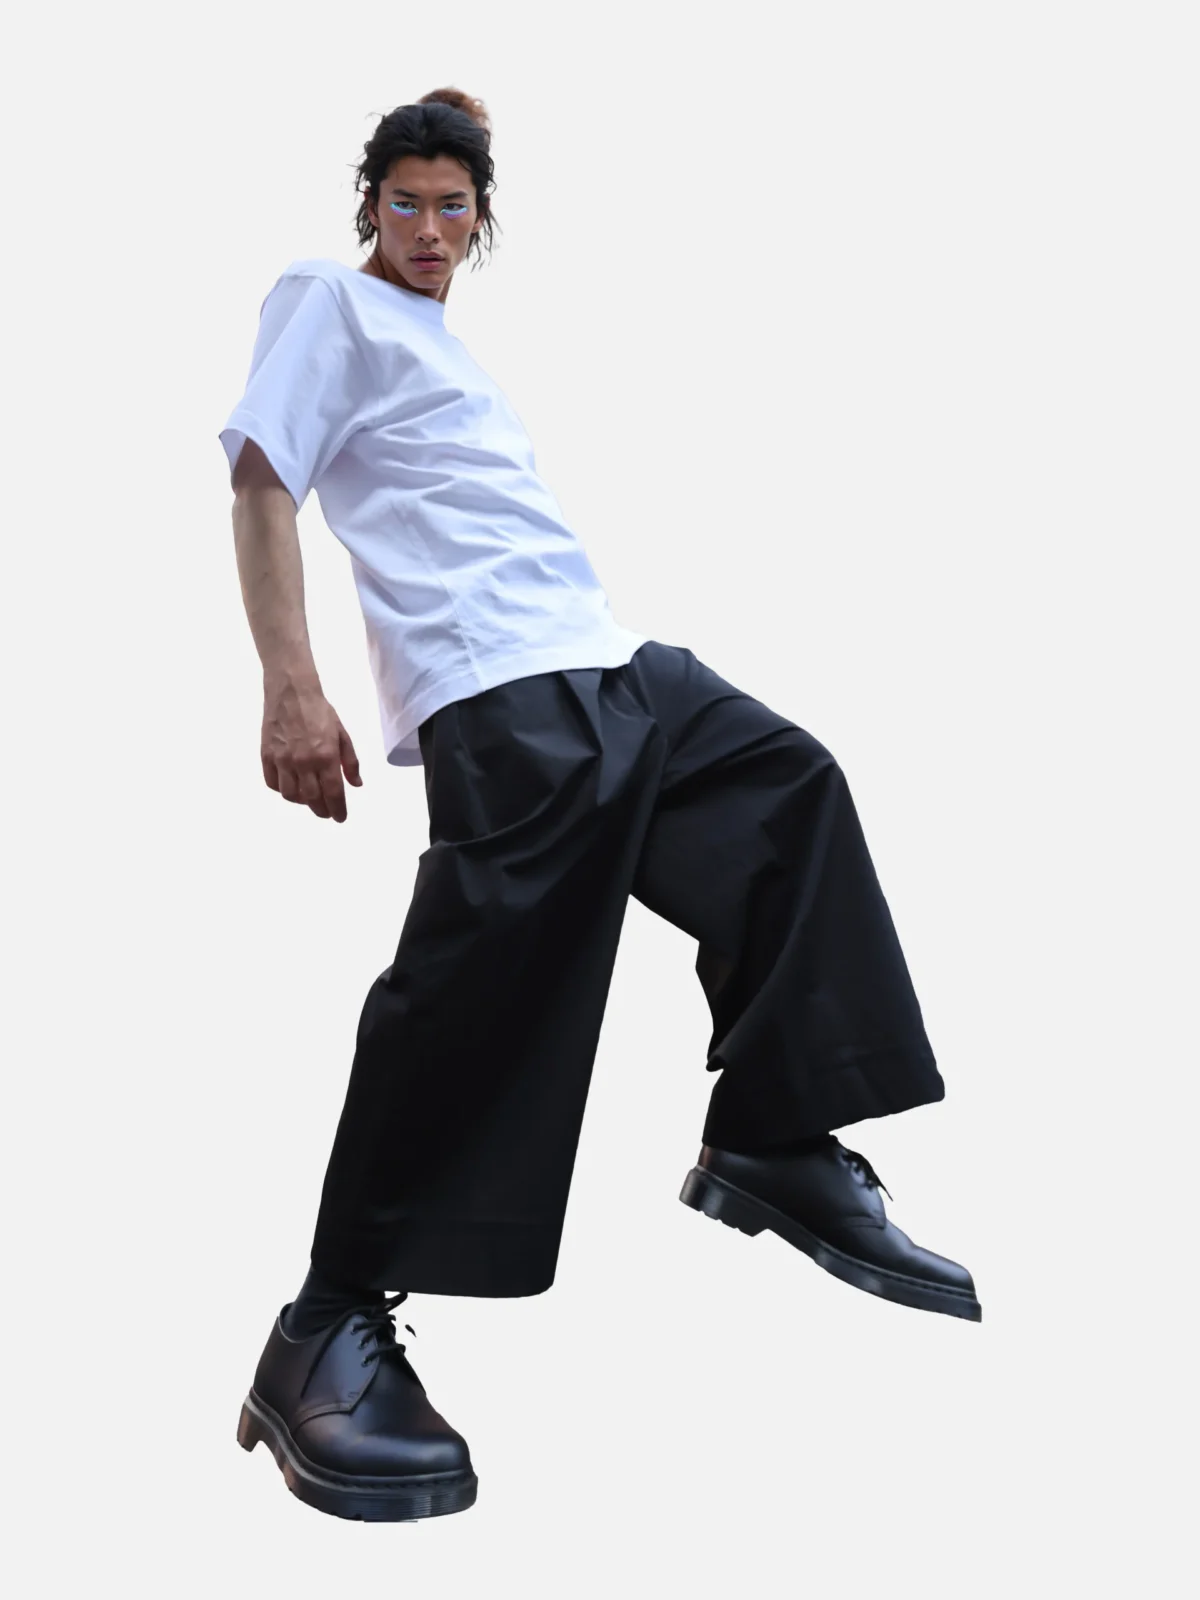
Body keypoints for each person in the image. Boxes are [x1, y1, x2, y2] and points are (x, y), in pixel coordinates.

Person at [219, 87, 980, 1524]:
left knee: (790, 792)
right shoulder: (324, 299)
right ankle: (322, 1329)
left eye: (454, 207)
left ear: (481, 220)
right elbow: (263, 484)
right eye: (404, 202)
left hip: (609, 661)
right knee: (478, 986)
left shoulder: (441, 341)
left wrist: (463, 117)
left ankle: (772, 1134)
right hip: (501, 689)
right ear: (367, 207)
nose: (428, 229)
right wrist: (290, 685)